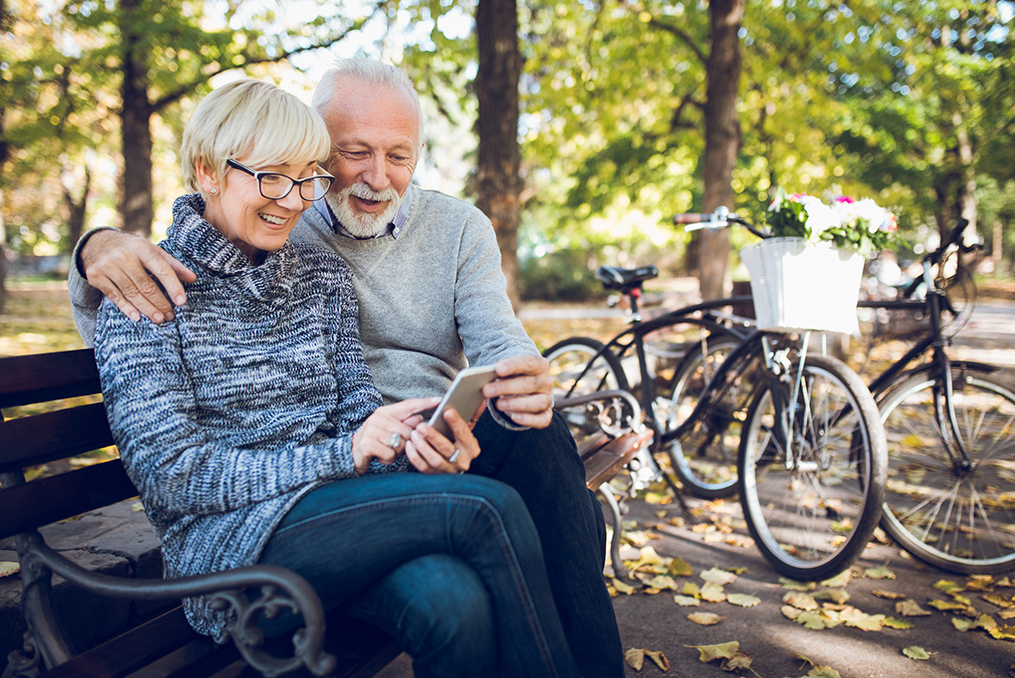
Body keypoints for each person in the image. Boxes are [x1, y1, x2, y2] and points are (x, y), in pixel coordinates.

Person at [70, 59, 624, 678]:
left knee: (452, 598)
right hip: (231, 546)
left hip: (343, 504)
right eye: (275, 177)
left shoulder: (316, 276)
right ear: (207, 170)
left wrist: (408, 437)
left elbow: (357, 405)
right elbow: (173, 476)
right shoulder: (149, 292)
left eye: (305, 178)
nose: (292, 199)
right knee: (486, 509)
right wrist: (94, 243)